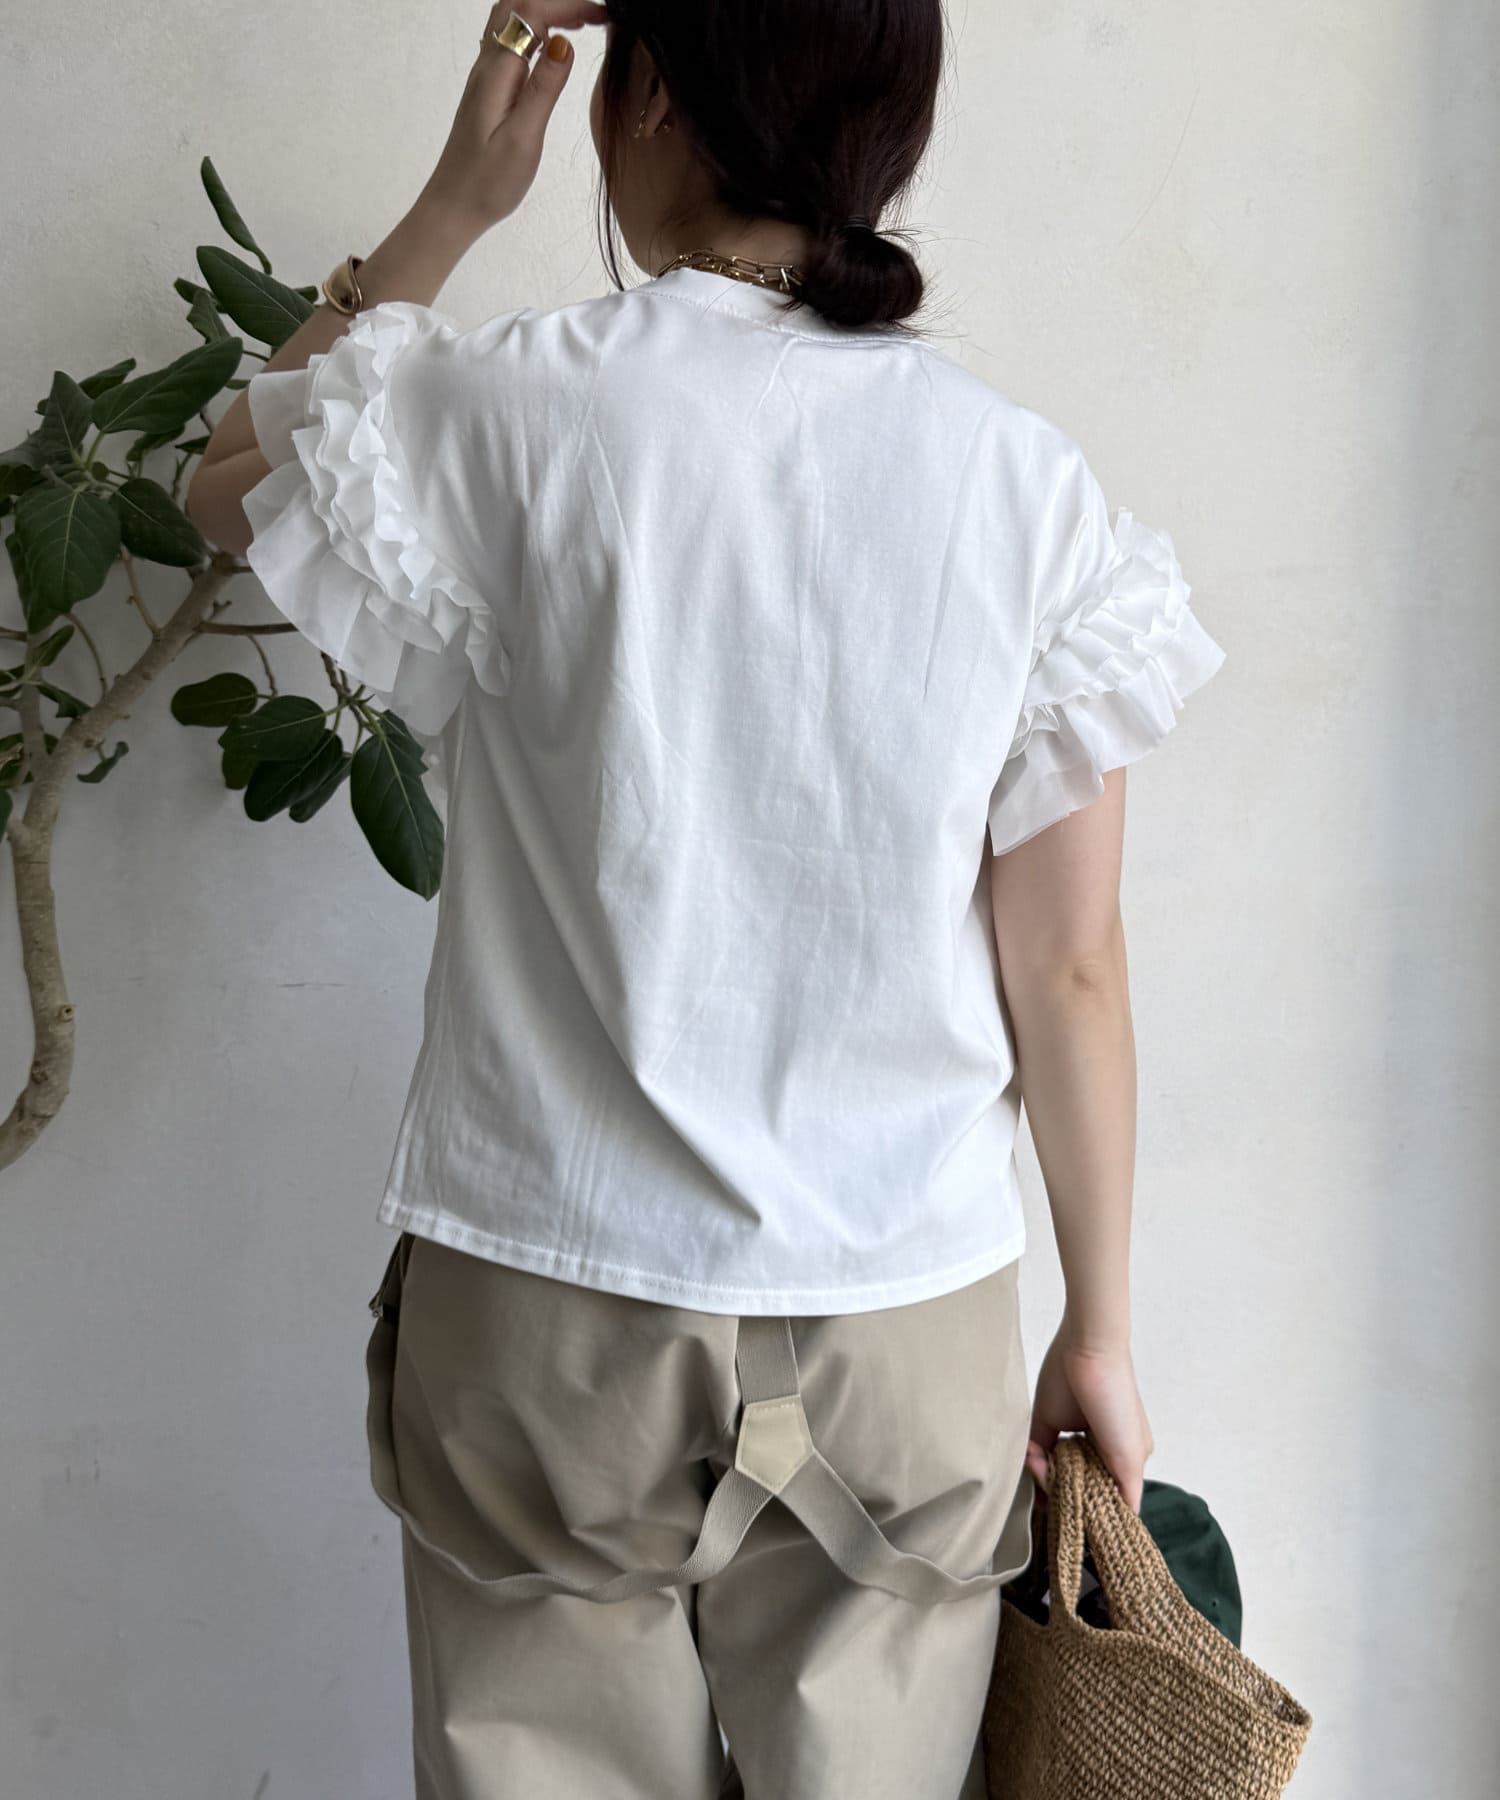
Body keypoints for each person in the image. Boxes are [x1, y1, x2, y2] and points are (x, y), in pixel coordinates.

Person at [186, 1, 1227, 1794]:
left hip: (550, 1301)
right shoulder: (1022, 486)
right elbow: (1067, 966)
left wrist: (455, 204)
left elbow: (221, 487)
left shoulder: (508, 411)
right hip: (903, 1308)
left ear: (650, 89)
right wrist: (1102, 1328)